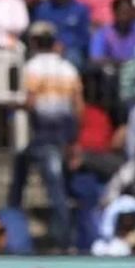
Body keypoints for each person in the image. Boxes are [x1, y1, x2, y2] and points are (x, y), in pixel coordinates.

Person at [8, 21, 84, 251]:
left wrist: (11, 106)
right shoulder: (69, 68)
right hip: (65, 130)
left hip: (45, 133)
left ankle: (62, 240)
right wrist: (73, 141)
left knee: (54, 186)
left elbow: (30, 103)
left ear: (33, 42)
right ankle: (14, 214)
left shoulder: (32, 68)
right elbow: (79, 108)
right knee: (25, 166)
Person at [32, 0, 91, 69]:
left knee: (73, 57)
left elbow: (84, 39)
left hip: (71, 50)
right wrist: (51, 46)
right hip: (46, 49)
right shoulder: (42, 9)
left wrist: (64, 45)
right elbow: (36, 34)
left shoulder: (81, 9)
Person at [89, 0, 135, 66]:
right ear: (114, 12)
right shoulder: (104, 32)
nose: (124, 15)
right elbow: (96, 58)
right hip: (113, 69)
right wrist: (119, 63)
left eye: (127, 11)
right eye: (121, 11)